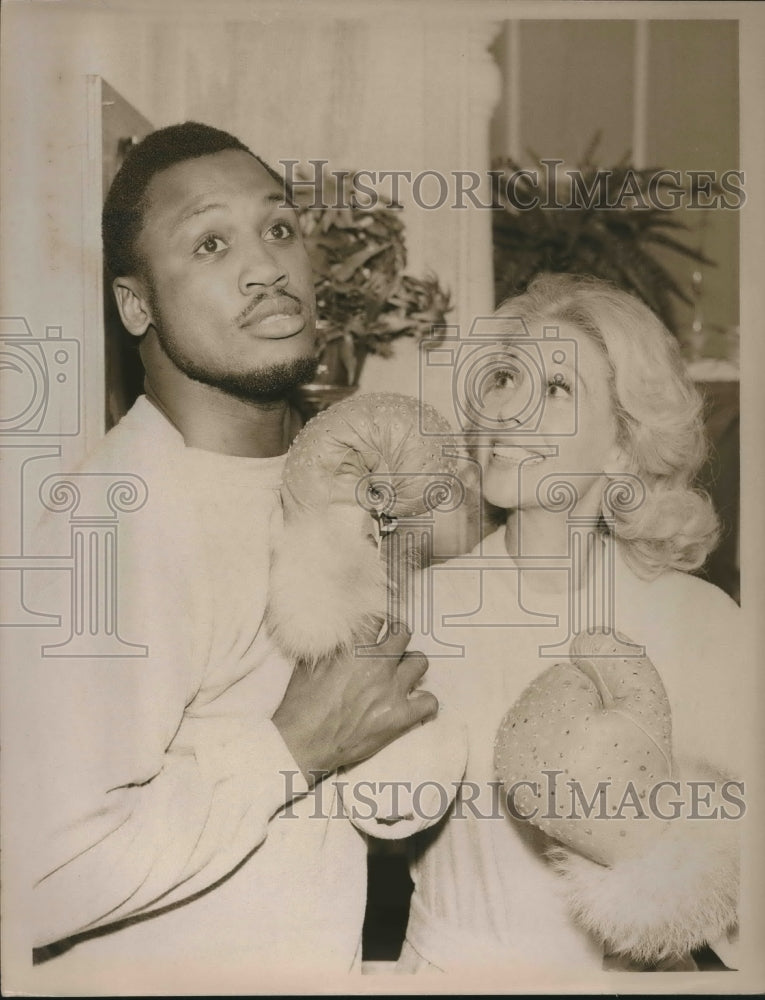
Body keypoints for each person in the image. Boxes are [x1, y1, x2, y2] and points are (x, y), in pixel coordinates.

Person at [21, 122, 440, 990]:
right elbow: (35, 878)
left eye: (278, 228)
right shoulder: (112, 523)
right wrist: (293, 745)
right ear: (136, 306)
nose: (266, 266)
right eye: (211, 242)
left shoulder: (314, 482)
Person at [395, 273, 743, 978]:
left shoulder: (700, 623)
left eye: (555, 390)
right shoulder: (416, 612)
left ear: (621, 446)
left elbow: (742, 895)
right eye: (503, 379)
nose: (508, 409)